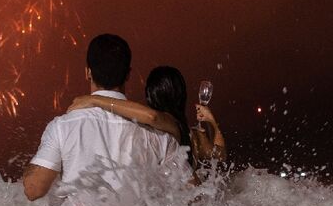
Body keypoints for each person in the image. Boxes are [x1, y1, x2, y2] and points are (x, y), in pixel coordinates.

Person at [22, 34, 186, 206]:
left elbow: (34, 189)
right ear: (128, 75)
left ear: (87, 72)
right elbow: (193, 194)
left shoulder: (63, 126)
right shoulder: (158, 134)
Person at [67, 66, 227, 168]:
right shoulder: (194, 136)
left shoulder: (157, 129)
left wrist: (95, 99)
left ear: (150, 95)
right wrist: (212, 121)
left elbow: (152, 117)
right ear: (181, 95)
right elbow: (221, 155)